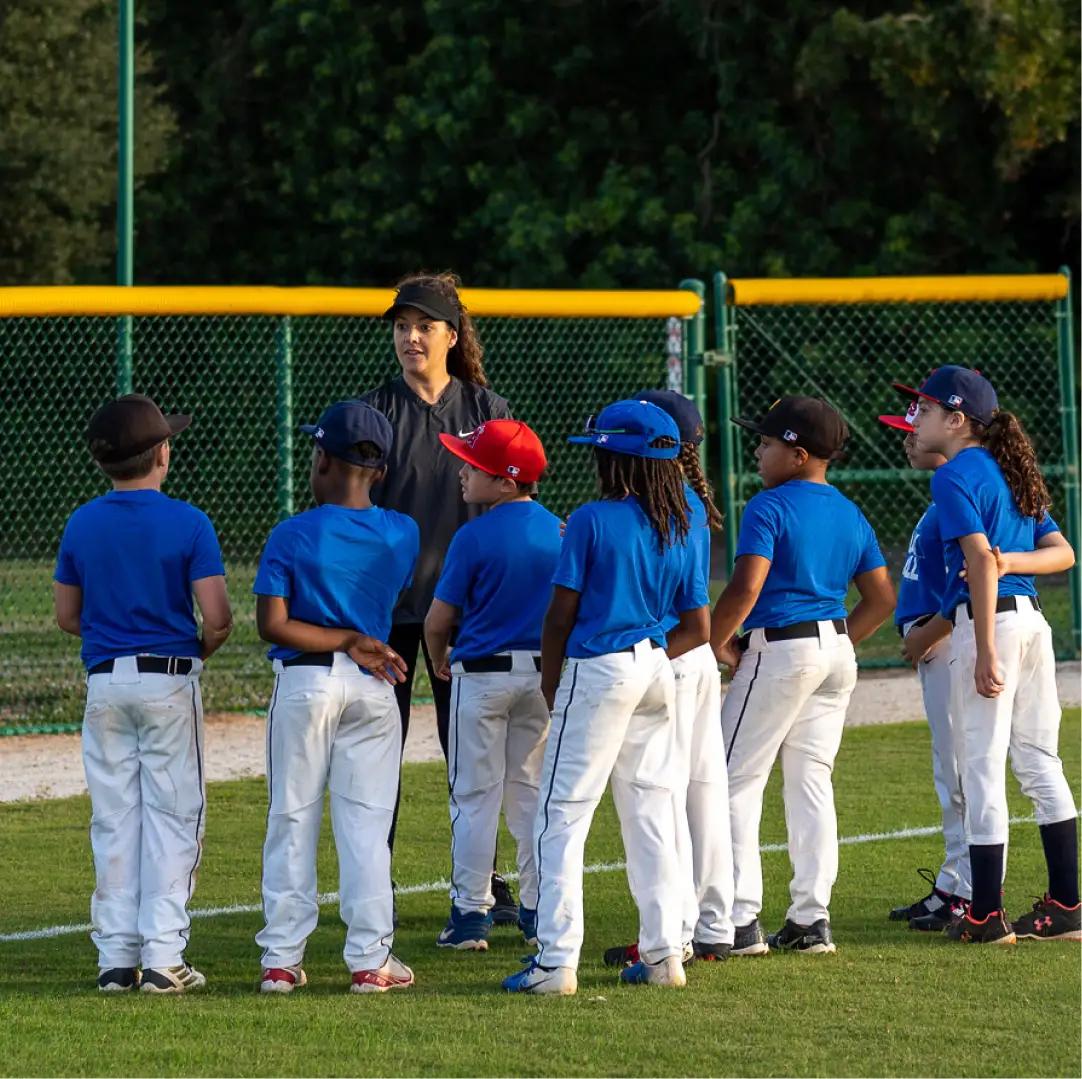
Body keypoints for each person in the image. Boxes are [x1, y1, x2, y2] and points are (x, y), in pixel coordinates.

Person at [503, 399, 709, 996]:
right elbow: (697, 625)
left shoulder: (593, 518)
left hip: (600, 668)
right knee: (650, 816)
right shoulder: (687, 515)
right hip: (654, 666)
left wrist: (554, 685)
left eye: (600, 449)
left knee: (560, 816)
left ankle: (554, 964)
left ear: (618, 457)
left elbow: (559, 617)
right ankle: (665, 954)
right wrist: (644, 653)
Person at [53, 394, 233, 994]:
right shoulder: (188, 521)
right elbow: (218, 618)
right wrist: (193, 653)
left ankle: (115, 959)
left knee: (115, 819)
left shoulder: (82, 521)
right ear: (162, 453)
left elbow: (66, 614)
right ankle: (163, 956)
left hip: (105, 681)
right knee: (174, 815)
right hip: (168, 677)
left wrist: (114, 634)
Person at [900, 366, 1079, 944]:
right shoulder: (1009, 471)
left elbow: (979, 559)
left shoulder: (953, 476)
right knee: (1038, 761)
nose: (916, 420)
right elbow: (1061, 553)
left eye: (925, 410)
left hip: (992, 624)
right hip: (1032, 624)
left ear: (957, 421)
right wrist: (1010, 561)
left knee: (980, 769)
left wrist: (981, 648)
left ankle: (985, 915)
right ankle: (1068, 905)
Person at [710, 396, 895, 956]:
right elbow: (882, 597)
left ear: (797, 453)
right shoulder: (847, 510)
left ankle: (741, 921)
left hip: (782, 650)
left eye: (766, 443)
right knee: (811, 783)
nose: (758, 451)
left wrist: (712, 640)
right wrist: (833, 644)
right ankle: (811, 921)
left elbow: (746, 588)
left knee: (731, 781)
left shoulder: (770, 506)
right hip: (835, 651)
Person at [362, 272, 519, 921]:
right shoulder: (376, 412)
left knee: (475, 761)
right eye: (401, 326)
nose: (410, 337)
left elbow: (514, 506)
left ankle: (483, 887)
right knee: (378, 755)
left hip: (469, 615)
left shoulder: (487, 412)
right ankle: (375, 883)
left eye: (423, 325)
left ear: (452, 335)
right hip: (390, 613)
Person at [253, 400, 418, 993]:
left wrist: (342, 637)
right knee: (366, 826)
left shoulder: (291, 532)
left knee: (292, 817)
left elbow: (272, 625)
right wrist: (354, 634)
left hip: (305, 680)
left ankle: (281, 958)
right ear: (378, 471)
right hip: (374, 685)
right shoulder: (403, 532)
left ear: (321, 459)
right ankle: (370, 961)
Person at [602, 389, 734, 967]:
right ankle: (716, 923)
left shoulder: (655, 501)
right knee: (704, 790)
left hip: (669, 653)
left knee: (662, 797)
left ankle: (674, 931)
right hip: (695, 657)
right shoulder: (688, 499)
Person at [424, 420, 561, 951]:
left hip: (481, 675)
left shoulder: (473, 534)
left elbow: (438, 621)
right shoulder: (558, 529)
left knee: (474, 798)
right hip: (542, 674)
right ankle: (535, 911)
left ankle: (470, 917)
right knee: (530, 796)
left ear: (506, 481)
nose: (463, 471)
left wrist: (438, 660)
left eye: (475, 465)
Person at [877, 401, 973, 930]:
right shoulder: (941, 498)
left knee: (959, 771)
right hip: (939, 644)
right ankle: (954, 883)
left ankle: (970, 889)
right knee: (950, 770)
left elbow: (979, 573)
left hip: (950, 643)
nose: (907, 439)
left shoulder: (955, 495)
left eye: (912, 429)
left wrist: (933, 631)